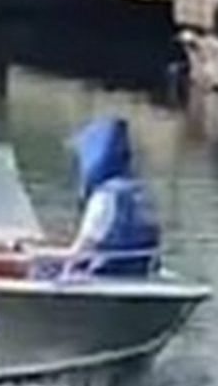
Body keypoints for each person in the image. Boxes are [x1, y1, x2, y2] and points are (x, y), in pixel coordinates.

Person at [66, 116, 161, 276]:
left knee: (36, 266)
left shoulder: (104, 197)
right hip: (140, 271)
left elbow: (80, 250)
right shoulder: (139, 191)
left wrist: (35, 257)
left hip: (106, 272)